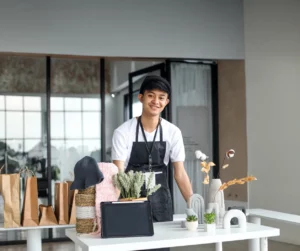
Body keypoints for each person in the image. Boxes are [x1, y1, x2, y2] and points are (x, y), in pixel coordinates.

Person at [112, 75, 194, 248]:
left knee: (161, 247)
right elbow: (118, 173)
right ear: (140, 97)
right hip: (130, 202)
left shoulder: (172, 132)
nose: (156, 101)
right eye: (151, 95)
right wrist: (112, 207)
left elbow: (180, 173)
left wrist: (193, 204)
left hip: (161, 202)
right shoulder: (123, 132)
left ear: (167, 102)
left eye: (161, 97)